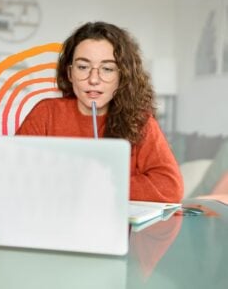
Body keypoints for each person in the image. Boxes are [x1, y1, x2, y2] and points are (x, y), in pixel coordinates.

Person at [16, 21, 183, 203]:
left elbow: (170, 187)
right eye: (83, 67)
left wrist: (100, 184)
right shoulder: (46, 113)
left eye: (107, 69)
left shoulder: (140, 121)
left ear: (122, 76)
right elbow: (13, 171)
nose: (93, 79)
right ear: (70, 73)